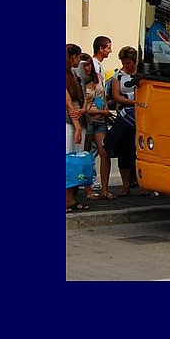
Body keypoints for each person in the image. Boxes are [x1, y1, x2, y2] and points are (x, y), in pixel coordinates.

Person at [106, 46, 146, 197]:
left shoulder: (143, 75)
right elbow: (116, 96)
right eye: (124, 62)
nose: (126, 65)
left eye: (129, 62)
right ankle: (125, 185)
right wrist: (134, 102)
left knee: (140, 151)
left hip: (142, 116)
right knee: (124, 151)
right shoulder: (119, 76)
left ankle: (144, 184)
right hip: (126, 114)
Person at [78, 52, 114, 199]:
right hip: (88, 120)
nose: (86, 68)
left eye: (88, 64)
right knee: (86, 155)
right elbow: (81, 105)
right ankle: (87, 189)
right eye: (83, 65)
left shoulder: (98, 77)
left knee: (104, 153)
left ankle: (105, 189)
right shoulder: (80, 81)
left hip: (100, 119)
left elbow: (102, 96)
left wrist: (105, 110)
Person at [66, 44, 89, 213]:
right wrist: (77, 126)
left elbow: (84, 95)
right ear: (73, 57)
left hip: (78, 116)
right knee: (68, 159)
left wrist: (84, 108)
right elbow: (68, 103)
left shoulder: (74, 74)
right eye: (78, 57)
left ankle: (70, 198)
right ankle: (67, 199)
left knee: (74, 161)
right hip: (69, 121)